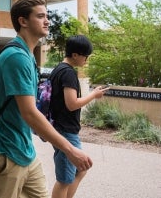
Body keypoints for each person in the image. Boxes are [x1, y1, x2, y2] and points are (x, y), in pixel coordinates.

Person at [0, 0, 93, 198]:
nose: (47, 21)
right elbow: (30, 113)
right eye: (40, 16)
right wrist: (70, 150)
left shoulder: (28, 55)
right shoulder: (17, 57)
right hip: (5, 154)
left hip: (25, 152)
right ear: (23, 21)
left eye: (46, 16)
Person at [49, 35, 107, 198]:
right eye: (85, 56)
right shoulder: (68, 73)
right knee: (65, 180)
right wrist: (94, 95)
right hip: (65, 131)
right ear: (75, 55)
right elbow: (72, 103)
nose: (86, 60)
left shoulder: (58, 69)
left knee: (80, 169)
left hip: (59, 128)